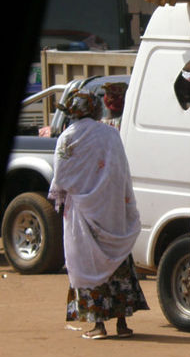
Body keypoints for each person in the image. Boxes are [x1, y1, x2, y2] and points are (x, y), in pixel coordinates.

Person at [48, 91, 147, 340]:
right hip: (112, 210)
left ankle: (98, 325)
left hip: (82, 213)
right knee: (117, 261)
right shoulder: (111, 134)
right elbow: (121, 171)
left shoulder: (67, 137)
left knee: (88, 263)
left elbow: (60, 177)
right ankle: (122, 324)